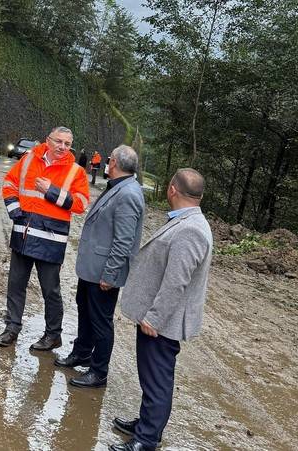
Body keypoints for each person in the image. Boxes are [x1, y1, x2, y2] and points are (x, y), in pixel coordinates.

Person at [109, 168, 213, 451]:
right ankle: (147, 424)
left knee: (157, 381)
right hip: (159, 318)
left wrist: (154, 317)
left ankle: (146, 440)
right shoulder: (187, 220)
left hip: (163, 322)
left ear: (172, 189)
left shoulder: (190, 229)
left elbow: (176, 281)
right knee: (151, 376)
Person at [56, 145, 145, 388]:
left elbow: (124, 241)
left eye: (109, 160)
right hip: (92, 268)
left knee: (101, 321)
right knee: (85, 310)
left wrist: (110, 274)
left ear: (114, 163)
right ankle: (82, 352)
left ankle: (99, 371)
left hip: (103, 272)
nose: (107, 163)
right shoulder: (118, 187)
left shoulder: (128, 194)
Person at [0, 126, 90, 351]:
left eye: (68, 144)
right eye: (59, 142)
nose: (63, 147)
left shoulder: (75, 171)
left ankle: (53, 335)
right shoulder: (29, 158)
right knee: (16, 284)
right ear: (48, 140)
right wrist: (14, 209)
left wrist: (52, 191)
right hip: (24, 232)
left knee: (51, 290)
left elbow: (81, 203)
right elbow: (9, 183)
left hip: (51, 239)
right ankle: (12, 328)